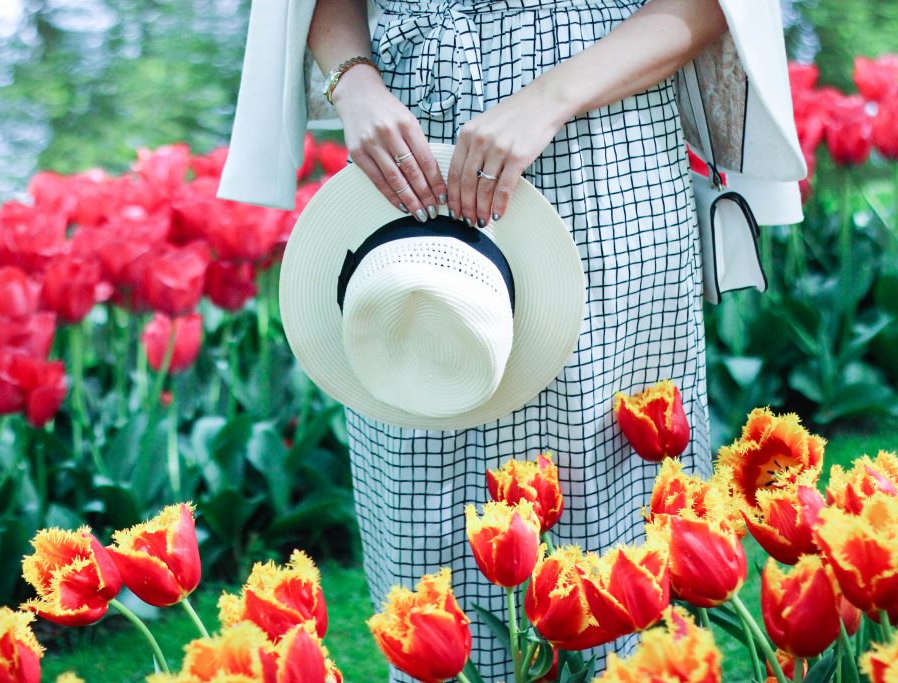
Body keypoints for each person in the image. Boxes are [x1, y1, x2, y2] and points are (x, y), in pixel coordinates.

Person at [304, 0, 727, 679]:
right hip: (408, 158)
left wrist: (545, 100)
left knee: (609, 537)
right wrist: (354, 82)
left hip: (601, 146)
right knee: (427, 542)